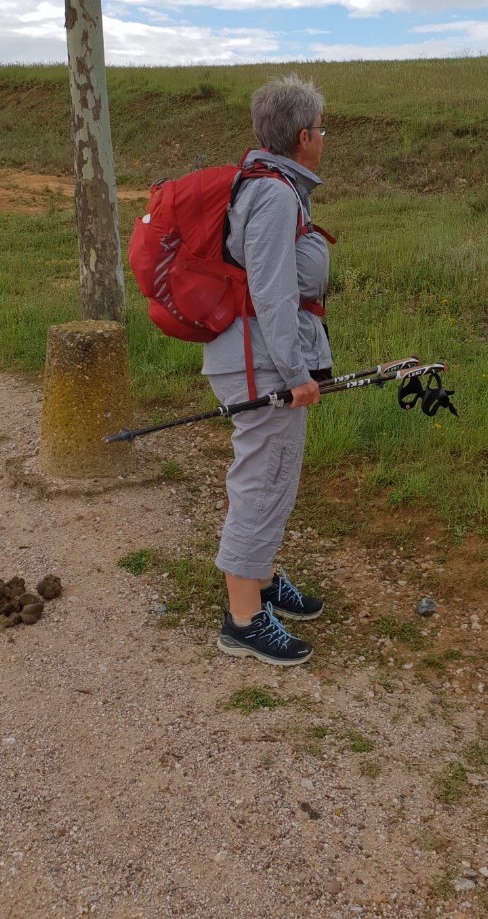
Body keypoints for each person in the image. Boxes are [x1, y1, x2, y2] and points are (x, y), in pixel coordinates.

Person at [204, 74, 331, 667]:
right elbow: (273, 293)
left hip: (259, 359)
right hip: (262, 367)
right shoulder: (277, 195)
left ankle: (263, 579)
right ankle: (243, 620)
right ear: (303, 135)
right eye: (321, 129)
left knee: (274, 476)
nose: (324, 138)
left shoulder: (271, 187)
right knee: (263, 479)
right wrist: (298, 371)